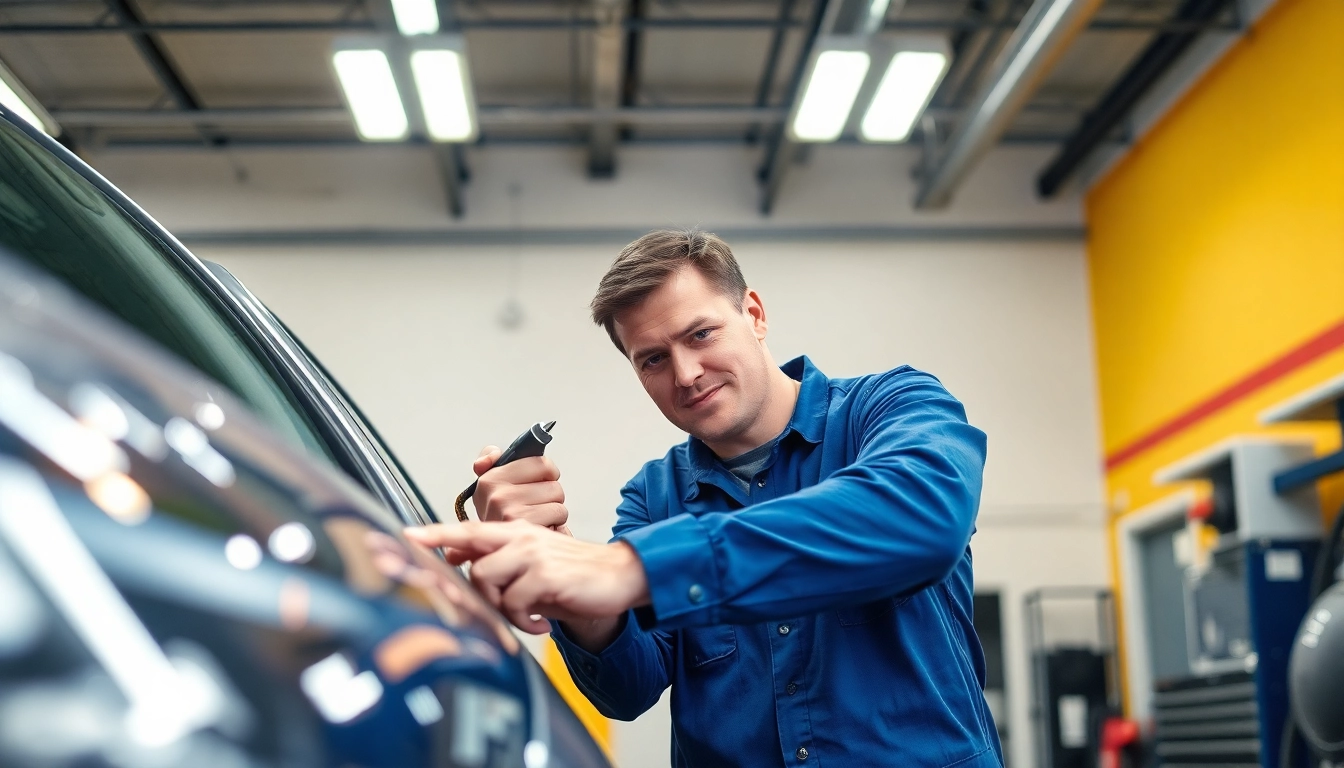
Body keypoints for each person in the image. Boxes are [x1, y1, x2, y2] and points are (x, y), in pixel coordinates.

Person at [405, 229, 1001, 768]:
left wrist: (633, 567)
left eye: (701, 334)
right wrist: (561, 567)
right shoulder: (652, 497)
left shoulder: (893, 407)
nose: (686, 374)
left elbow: (923, 517)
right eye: (653, 359)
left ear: (755, 313)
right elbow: (628, 687)